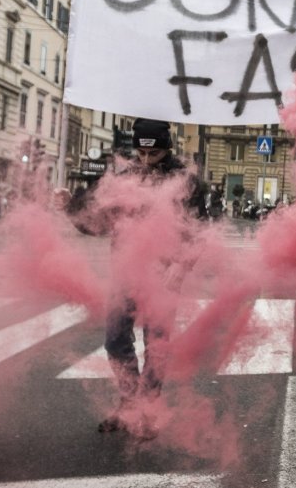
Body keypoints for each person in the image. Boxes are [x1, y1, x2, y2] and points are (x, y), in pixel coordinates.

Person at [68, 118, 207, 438]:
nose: (146, 161)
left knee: (157, 345)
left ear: (166, 149)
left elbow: (199, 232)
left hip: (165, 277)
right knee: (115, 339)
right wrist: (70, 208)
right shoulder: (125, 177)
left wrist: (181, 266)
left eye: (154, 154)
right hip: (126, 272)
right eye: (141, 154)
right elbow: (99, 224)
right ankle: (129, 404)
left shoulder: (187, 182)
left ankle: (148, 407)